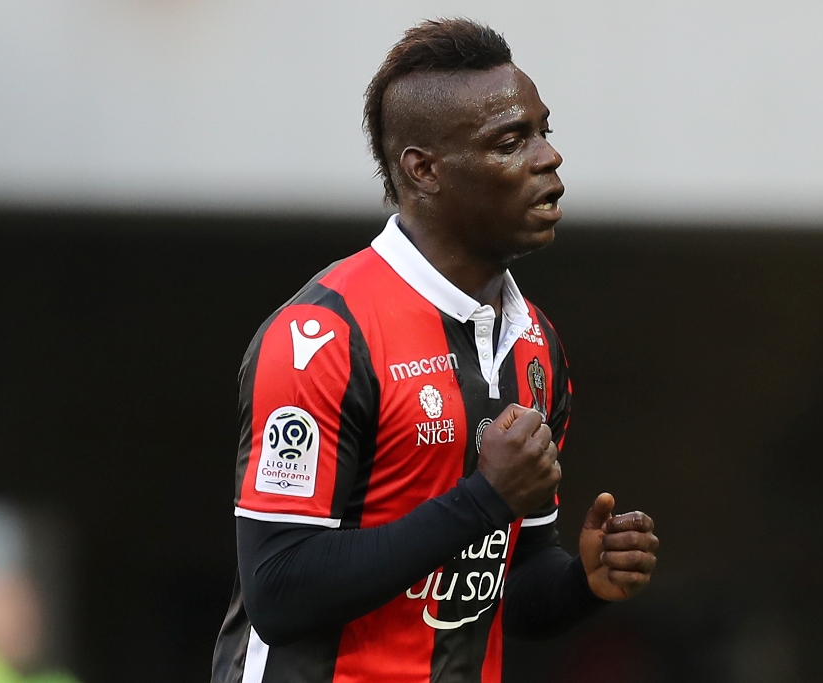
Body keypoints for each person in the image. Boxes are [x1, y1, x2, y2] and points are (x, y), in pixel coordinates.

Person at [211, 18, 659, 683]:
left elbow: (507, 587)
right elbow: (280, 589)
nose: (547, 157)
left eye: (544, 131)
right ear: (424, 169)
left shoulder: (535, 345)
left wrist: (584, 582)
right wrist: (484, 497)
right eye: (511, 140)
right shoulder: (324, 335)